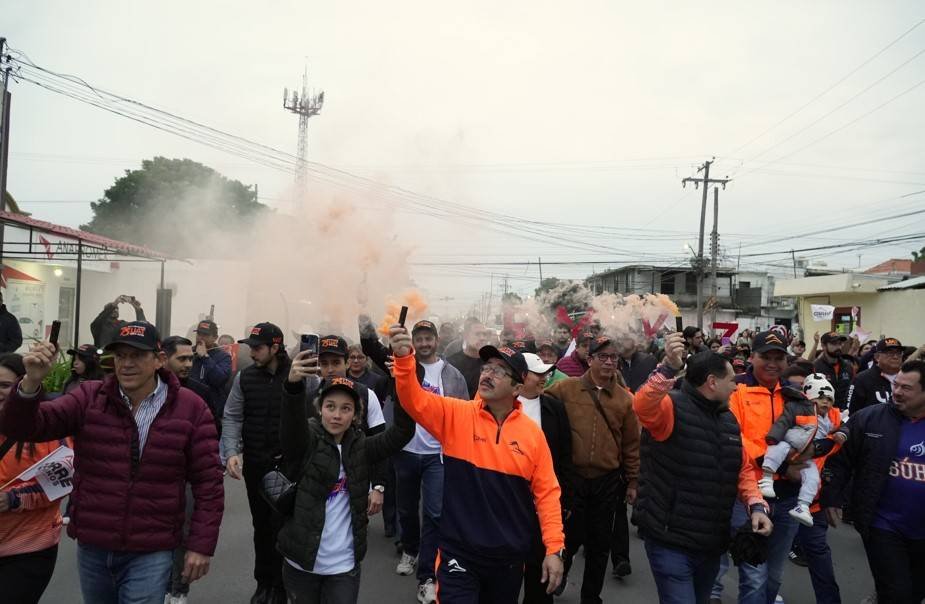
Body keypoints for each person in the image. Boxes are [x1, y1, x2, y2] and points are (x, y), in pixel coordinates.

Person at [0, 321, 223, 603]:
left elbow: (208, 483)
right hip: (94, 545)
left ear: (159, 360)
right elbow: (24, 428)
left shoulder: (191, 407)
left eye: (137, 356)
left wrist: (200, 545)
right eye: (120, 356)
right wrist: (31, 383)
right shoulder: (89, 397)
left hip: (152, 547)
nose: (126, 364)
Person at [389, 326, 565, 601]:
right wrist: (403, 359)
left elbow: (547, 494)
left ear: (517, 388)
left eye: (499, 371)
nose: (488, 374)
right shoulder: (456, 415)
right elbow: (414, 400)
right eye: (487, 368)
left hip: (508, 558)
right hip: (458, 553)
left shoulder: (532, 435)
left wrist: (554, 549)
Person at [632, 338, 772, 604]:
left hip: (711, 544)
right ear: (712, 382)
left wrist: (756, 505)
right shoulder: (671, 407)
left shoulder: (728, 419)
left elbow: (741, 467)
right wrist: (668, 367)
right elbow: (642, 405)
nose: (736, 386)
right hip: (670, 541)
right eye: (731, 380)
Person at [277, 355, 416, 604]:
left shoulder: (362, 447)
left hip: (344, 566)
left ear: (355, 415)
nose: (337, 415)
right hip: (302, 563)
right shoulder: (307, 440)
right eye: (330, 406)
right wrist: (293, 386)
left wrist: (402, 386)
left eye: (346, 408)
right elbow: (290, 432)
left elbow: (402, 432)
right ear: (320, 408)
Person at [715, 330, 818, 604]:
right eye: (766, 357)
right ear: (752, 357)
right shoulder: (736, 389)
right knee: (754, 574)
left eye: (778, 358)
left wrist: (812, 452)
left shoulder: (794, 394)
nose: (772, 363)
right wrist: (782, 467)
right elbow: (736, 439)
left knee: (773, 575)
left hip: (788, 495)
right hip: (749, 494)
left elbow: (811, 433)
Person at [546, 336, 640, 602]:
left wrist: (633, 481)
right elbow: (538, 405)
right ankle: (559, 576)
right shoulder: (565, 389)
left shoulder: (624, 399)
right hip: (572, 479)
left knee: (600, 545)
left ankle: (591, 597)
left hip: (607, 481)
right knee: (569, 537)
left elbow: (632, 444)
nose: (609, 362)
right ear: (590, 360)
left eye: (613, 358)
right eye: (603, 357)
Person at [823, 360, 925, 603]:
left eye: (906, 388)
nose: (896, 392)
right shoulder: (870, 418)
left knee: (916, 591)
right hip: (882, 523)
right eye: (896, 385)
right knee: (896, 593)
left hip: (921, 530)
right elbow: (840, 459)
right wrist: (832, 496)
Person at [222, 322, 291, 604]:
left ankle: (283, 586)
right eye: (250, 347)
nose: (252, 353)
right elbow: (232, 415)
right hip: (256, 465)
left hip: (290, 468)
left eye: (258, 347)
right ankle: (264, 584)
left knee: (285, 528)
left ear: (275, 347)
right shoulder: (245, 377)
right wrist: (231, 452)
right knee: (261, 527)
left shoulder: (298, 374)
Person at [0, 354, 70, 604]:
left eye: (5, 385)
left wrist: (13, 498)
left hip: (28, 549)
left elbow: (62, 477)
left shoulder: (46, 423)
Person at [516, 352, 574, 604]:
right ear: (521, 376)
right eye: (537, 374)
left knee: (539, 573)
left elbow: (565, 456)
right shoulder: (501, 406)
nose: (544, 379)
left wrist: (565, 499)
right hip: (507, 503)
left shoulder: (554, 408)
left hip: (543, 503)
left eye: (546, 374)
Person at [758, 374, 848, 527]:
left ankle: (803, 506)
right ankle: (766, 478)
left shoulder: (830, 418)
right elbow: (783, 422)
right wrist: (774, 437)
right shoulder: (797, 407)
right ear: (811, 397)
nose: (825, 402)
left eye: (829, 399)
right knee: (776, 449)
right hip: (789, 442)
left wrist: (842, 434)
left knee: (813, 479)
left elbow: (844, 425)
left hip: (808, 456)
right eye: (821, 398)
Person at [847, 337, 904, 415]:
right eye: (890, 353)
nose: (895, 356)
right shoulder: (862, 379)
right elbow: (850, 412)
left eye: (899, 353)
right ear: (877, 357)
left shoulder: (906, 379)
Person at [191, 319, 232, 425]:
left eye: (205, 335)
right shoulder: (189, 352)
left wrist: (205, 357)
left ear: (215, 337)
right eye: (199, 334)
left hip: (211, 411)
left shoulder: (223, 356)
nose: (200, 337)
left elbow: (220, 379)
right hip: (190, 407)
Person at [447, 318, 492, 399]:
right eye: (477, 334)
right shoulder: (452, 363)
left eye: (484, 334)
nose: (482, 338)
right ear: (465, 336)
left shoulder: (491, 363)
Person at [813, 332, 855, 410]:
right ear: (823, 346)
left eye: (840, 343)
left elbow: (852, 390)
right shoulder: (816, 367)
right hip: (824, 412)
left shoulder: (848, 366)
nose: (838, 347)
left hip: (845, 412)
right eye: (834, 344)